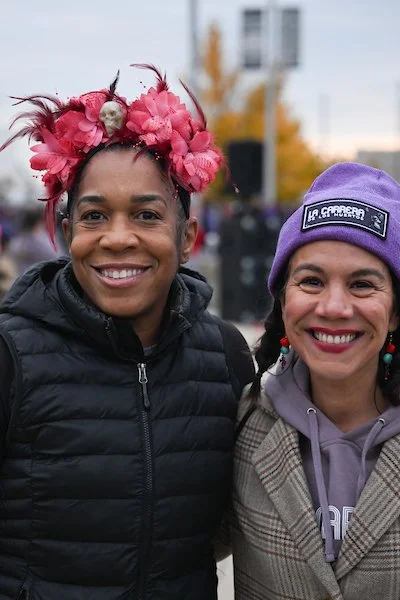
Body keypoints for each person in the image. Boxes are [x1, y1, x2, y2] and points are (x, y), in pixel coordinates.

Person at [0, 65, 255, 600]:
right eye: (94, 217)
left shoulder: (225, 356)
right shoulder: (10, 354)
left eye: (145, 215)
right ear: (67, 233)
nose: (117, 238)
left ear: (187, 238)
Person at [229, 162, 400, 600]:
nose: (334, 307)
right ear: (284, 301)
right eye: (311, 281)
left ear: (396, 312)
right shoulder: (241, 423)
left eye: (362, 284)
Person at [7, 206, 59, 276]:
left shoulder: (17, 241)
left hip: (22, 277)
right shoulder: (46, 241)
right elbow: (57, 257)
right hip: (43, 278)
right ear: (38, 222)